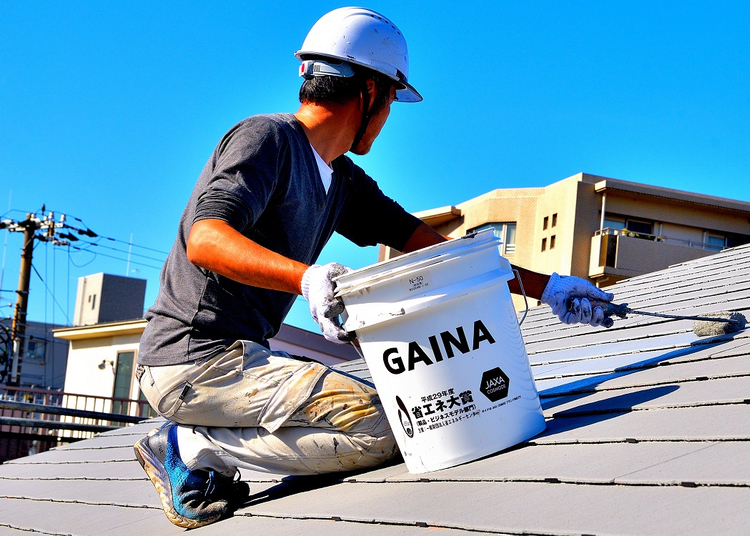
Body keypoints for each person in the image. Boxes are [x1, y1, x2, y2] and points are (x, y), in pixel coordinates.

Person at [131, 7, 614, 529]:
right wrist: (307, 278)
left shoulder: (341, 181)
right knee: (394, 428)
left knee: (414, 415)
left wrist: (549, 290)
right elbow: (206, 238)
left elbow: (436, 249)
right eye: (389, 103)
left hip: (238, 361)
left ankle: (200, 441)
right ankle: (190, 444)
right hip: (191, 361)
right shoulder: (266, 139)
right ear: (370, 92)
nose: (386, 120)